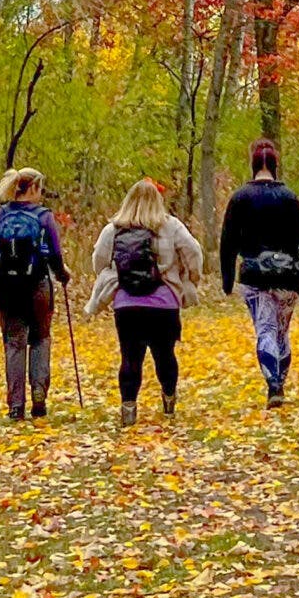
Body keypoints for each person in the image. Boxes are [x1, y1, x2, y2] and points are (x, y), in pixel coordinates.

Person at [87, 178, 204, 425]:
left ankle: (128, 408)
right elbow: (193, 252)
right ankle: (169, 401)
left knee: (130, 356)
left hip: (126, 303)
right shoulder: (170, 226)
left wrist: (111, 276)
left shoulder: (114, 229)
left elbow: (98, 259)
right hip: (164, 303)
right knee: (165, 355)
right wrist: (190, 278)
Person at [218, 138, 299, 408]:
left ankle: (273, 382)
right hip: (289, 277)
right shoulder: (289, 198)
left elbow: (227, 241)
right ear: (275, 165)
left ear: (253, 165)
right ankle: (280, 382)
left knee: (265, 328)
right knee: (282, 332)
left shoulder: (240, 198)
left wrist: (227, 279)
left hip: (255, 276)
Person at [0, 166, 69, 421]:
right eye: (40, 189)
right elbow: (55, 255)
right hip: (37, 286)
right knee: (41, 338)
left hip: (6, 289)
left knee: (14, 342)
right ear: (32, 188)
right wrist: (62, 275)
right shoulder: (43, 217)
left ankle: (15, 405)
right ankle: (39, 393)